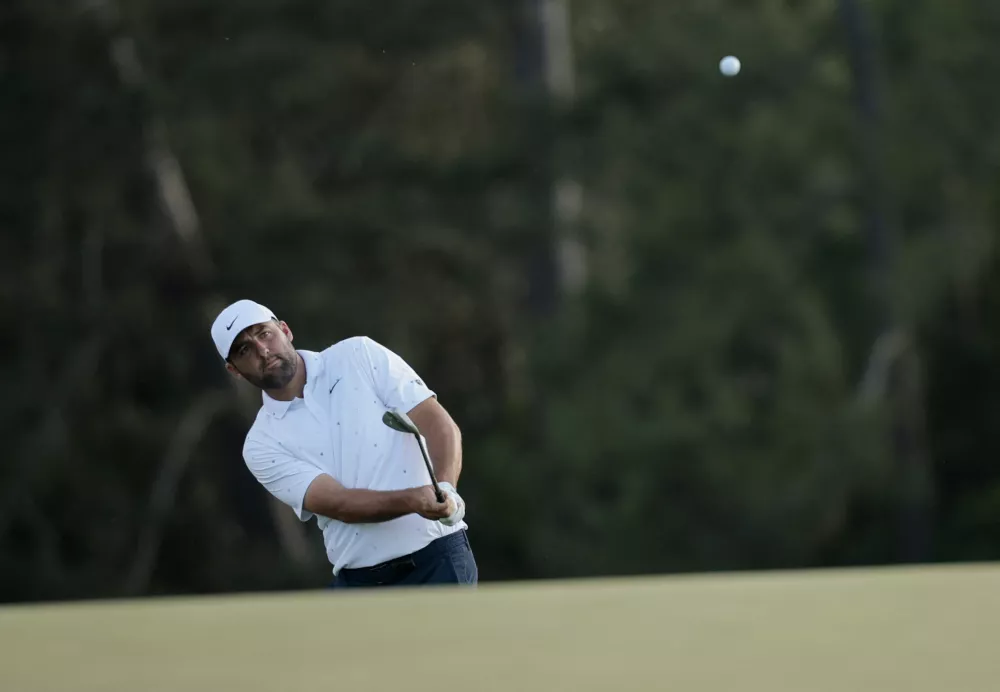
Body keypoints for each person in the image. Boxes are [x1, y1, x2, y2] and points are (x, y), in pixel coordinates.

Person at [209, 299, 477, 588]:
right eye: (244, 350)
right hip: (360, 580)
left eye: (264, 333)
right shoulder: (261, 444)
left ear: (285, 330)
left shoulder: (358, 354)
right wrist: (414, 500)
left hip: (438, 559)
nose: (262, 350)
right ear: (234, 370)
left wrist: (447, 488)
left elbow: (437, 423)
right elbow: (339, 504)